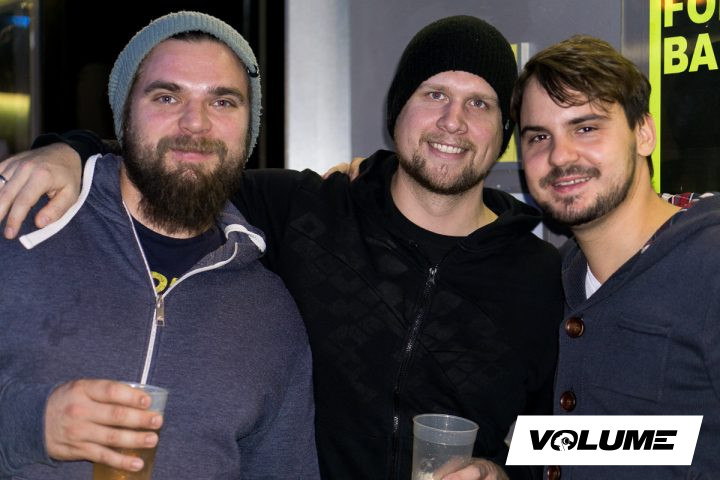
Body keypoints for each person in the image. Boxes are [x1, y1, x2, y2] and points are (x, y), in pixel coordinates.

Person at [0, 16, 563, 480]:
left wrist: (504, 472)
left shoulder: (543, 276)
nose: (453, 122)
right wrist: (69, 151)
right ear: (398, 111)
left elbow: (566, 432)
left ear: (504, 131)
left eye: (480, 104)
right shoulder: (302, 211)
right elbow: (175, 160)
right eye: (434, 93)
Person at [0, 11, 318, 479]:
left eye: (223, 102)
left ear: (249, 131)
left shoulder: (271, 314)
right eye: (167, 96)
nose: (196, 123)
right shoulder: (18, 223)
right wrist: (27, 425)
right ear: (124, 117)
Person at [510, 35, 720, 479]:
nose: (560, 155)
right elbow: (620, 440)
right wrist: (500, 471)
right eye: (539, 137)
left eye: (586, 128)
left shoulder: (709, 264)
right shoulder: (559, 277)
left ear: (644, 133)